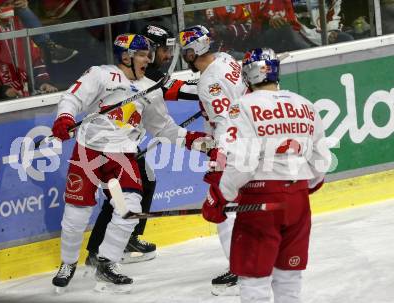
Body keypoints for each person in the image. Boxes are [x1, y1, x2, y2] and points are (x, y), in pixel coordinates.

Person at [51, 33, 210, 292]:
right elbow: (72, 98)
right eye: (143, 55)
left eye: (148, 54)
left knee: (129, 209)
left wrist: (197, 141)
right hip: (88, 153)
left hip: (122, 157)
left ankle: (107, 262)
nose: (148, 59)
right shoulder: (101, 75)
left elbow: (164, 129)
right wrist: (65, 118)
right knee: (75, 216)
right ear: (126, 56)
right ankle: (67, 263)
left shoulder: (150, 89)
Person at [200, 47, 331, 303]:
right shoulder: (304, 104)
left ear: (248, 75)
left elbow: (243, 163)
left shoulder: (241, 106)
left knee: (254, 279)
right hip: (298, 201)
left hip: (260, 202)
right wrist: (306, 184)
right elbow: (321, 161)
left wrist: (219, 195)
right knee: (289, 278)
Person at [85, 24, 201, 268]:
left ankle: (119, 240)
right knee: (123, 194)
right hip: (108, 147)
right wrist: (212, 90)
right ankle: (100, 249)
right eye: (163, 50)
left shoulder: (147, 72)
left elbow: (166, 105)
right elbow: (176, 90)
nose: (168, 56)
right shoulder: (139, 75)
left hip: (122, 145)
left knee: (141, 183)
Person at [178, 24, 248, 295]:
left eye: (186, 52)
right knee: (244, 207)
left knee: (222, 211)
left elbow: (223, 121)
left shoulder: (208, 82)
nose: (184, 57)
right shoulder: (227, 59)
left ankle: (240, 267)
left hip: (234, 148)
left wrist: (218, 150)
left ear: (194, 51)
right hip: (252, 141)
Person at [0, 0, 57, 102]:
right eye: (6, 4)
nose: (10, 8)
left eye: (12, 4)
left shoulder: (19, 26)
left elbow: (35, 59)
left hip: (26, 97)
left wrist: (44, 82)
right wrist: (1, 90)